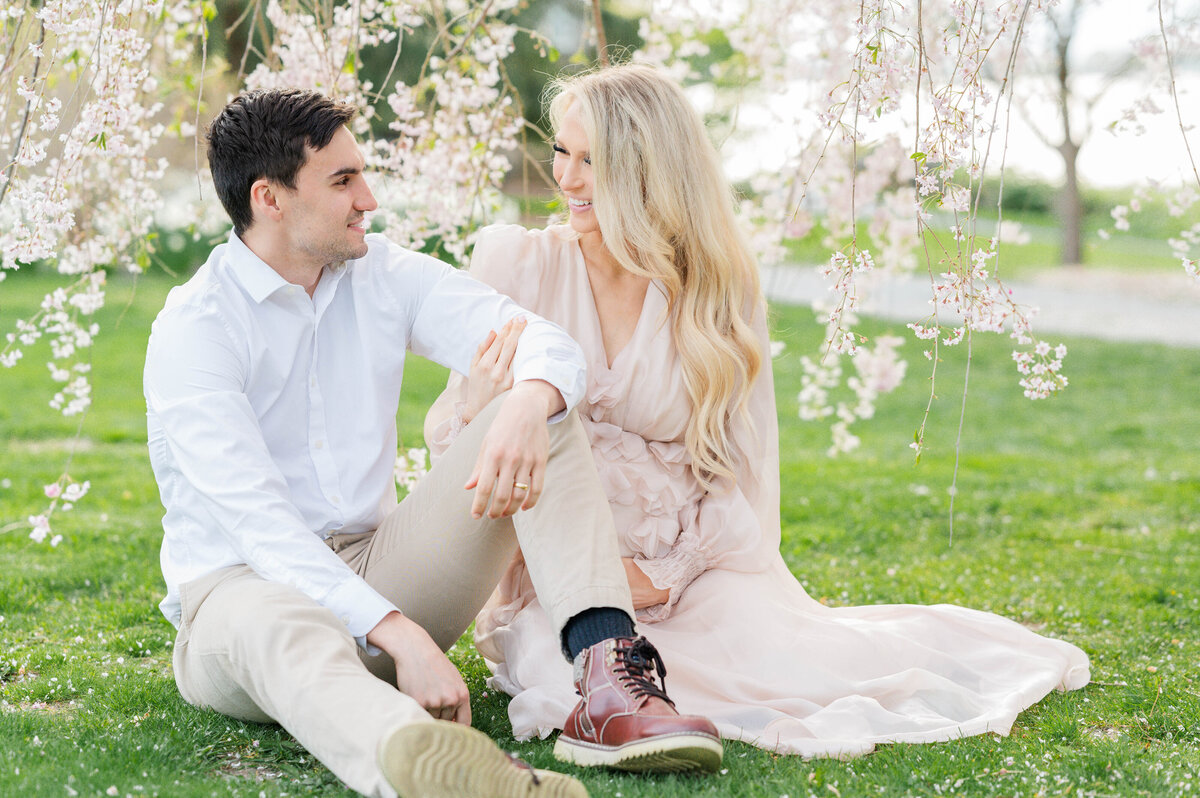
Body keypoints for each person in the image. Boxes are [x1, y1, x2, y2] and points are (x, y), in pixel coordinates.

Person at [424, 63, 1091, 758]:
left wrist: (666, 576)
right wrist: (484, 398)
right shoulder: (515, 262)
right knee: (559, 676)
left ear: (649, 170)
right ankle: (607, 662)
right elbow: (457, 446)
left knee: (790, 671)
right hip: (559, 578)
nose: (567, 178)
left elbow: (740, 471)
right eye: (563, 152)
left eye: (594, 160)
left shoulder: (716, 289)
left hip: (690, 570)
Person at [142, 87, 724, 798]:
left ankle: (609, 684)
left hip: (379, 567)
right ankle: (426, 762)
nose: (370, 199)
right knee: (279, 621)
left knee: (541, 407)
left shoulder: (381, 274)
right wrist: (403, 636)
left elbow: (544, 341)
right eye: (343, 181)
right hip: (239, 597)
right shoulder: (196, 328)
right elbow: (259, 527)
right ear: (270, 199)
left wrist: (527, 403)